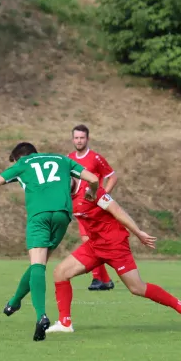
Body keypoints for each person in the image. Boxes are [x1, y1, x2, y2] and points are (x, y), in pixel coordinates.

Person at [0, 142, 99, 341]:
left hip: (39, 216)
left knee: (37, 263)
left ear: (19, 158)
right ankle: (15, 301)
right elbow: (93, 178)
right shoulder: (63, 159)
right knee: (40, 263)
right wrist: (91, 192)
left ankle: (41, 316)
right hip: (63, 214)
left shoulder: (23, 164)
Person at [47, 185, 181, 334]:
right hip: (94, 245)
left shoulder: (91, 190)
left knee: (137, 288)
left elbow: (117, 210)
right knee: (60, 273)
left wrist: (138, 233)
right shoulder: (64, 195)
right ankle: (65, 323)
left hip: (115, 245)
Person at [68, 124, 118, 291]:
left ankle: (99, 279)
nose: (79, 140)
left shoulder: (96, 158)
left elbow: (112, 177)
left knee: (91, 241)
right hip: (79, 209)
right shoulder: (68, 159)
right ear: (72, 139)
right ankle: (103, 280)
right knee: (89, 241)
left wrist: (103, 197)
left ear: (87, 139)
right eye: (76, 137)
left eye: (82, 138)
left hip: (95, 209)